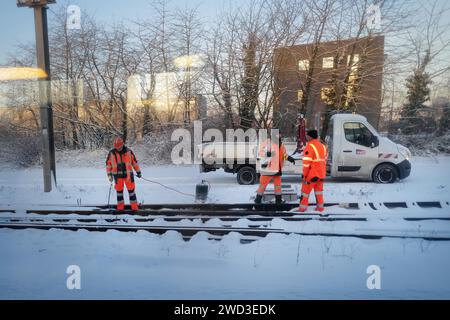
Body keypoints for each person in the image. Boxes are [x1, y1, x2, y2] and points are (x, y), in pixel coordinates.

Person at [255, 131, 296, 206]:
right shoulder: (267, 142)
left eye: (280, 134)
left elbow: (283, 155)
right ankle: (257, 200)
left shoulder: (281, 144)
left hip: (277, 168)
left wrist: (289, 158)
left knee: (278, 186)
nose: (279, 136)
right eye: (278, 134)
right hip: (268, 169)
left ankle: (278, 200)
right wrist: (266, 154)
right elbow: (260, 153)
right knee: (263, 185)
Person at [106, 137, 142, 211]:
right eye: (116, 147)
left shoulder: (129, 152)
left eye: (119, 147)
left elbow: (134, 163)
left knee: (131, 192)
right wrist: (109, 175)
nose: (118, 148)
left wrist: (138, 172)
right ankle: (120, 208)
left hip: (128, 176)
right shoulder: (112, 153)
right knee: (119, 193)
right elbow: (108, 165)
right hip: (117, 177)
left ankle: (134, 208)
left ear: (122, 145)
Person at [298, 130, 328, 213]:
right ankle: (320, 208)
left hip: (312, 174)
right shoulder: (322, 146)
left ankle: (302, 209)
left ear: (310, 136)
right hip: (321, 174)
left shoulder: (310, 146)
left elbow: (306, 163)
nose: (306, 137)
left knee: (305, 192)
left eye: (307, 135)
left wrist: (304, 175)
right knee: (319, 192)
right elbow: (324, 160)